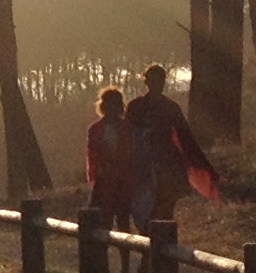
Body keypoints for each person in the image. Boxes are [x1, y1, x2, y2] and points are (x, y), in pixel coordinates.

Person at [124, 62, 216, 228]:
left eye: (160, 80)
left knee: (165, 208)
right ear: (147, 82)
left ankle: (162, 245)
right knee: (145, 208)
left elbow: (186, 138)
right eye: (154, 80)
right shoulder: (135, 107)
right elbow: (126, 136)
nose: (158, 84)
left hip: (166, 163)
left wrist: (205, 166)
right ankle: (148, 245)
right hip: (142, 163)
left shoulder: (170, 107)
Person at [84, 85, 136, 230]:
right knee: (104, 220)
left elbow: (130, 152)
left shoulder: (127, 128)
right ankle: (102, 251)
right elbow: (92, 153)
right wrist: (99, 171)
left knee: (123, 219)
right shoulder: (95, 129)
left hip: (122, 179)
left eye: (115, 104)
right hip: (103, 179)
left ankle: (125, 252)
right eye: (109, 104)